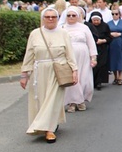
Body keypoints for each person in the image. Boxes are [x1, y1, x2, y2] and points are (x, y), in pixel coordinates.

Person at [19, 8, 79, 143]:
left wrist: (74, 70)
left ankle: (49, 130)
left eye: (53, 17)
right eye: (47, 17)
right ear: (43, 18)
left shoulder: (63, 33)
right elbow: (29, 54)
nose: (50, 19)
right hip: (40, 71)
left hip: (58, 70)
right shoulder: (35, 33)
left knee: (53, 98)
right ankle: (48, 123)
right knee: (42, 99)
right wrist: (24, 75)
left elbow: (70, 53)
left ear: (58, 18)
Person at [62, 6, 97, 112]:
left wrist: (93, 57)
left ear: (78, 16)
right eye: (69, 15)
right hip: (69, 56)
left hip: (83, 56)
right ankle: (73, 102)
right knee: (73, 79)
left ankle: (81, 99)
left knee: (84, 78)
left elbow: (91, 43)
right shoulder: (63, 28)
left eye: (73, 15)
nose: (71, 17)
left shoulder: (84, 28)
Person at [89, 12, 112, 90]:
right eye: (94, 20)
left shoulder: (105, 26)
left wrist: (103, 40)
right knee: (92, 65)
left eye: (97, 20)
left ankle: (99, 82)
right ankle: (92, 81)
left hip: (102, 48)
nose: (96, 22)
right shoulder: (88, 26)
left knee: (101, 65)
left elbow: (110, 37)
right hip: (91, 48)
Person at [107, 10, 122, 85]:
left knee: (121, 58)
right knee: (113, 59)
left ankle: (120, 76)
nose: (114, 15)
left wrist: (120, 34)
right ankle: (115, 77)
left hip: (121, 42)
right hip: (112, 43)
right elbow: (106, 33)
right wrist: (111, 34)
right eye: (113, 14)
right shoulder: (108, 23)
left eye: (116, 14)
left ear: (119, 14)